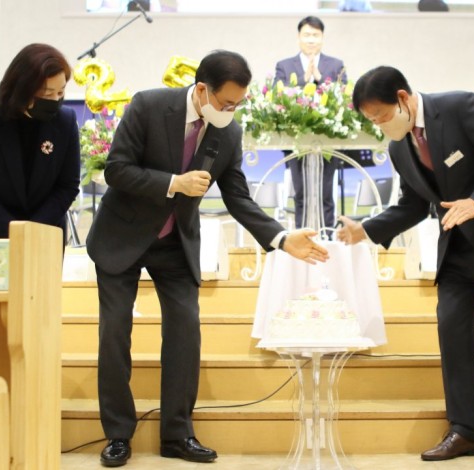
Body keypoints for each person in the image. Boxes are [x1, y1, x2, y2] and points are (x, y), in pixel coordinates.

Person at [86, 50, 329, 467]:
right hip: (121, 236)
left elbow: (238, 198)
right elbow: (116, 170)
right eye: (226, 103)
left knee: (186, 331)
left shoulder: (227, 133)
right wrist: (174, 183)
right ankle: (118, 435)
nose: (230, 112)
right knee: (115, 332)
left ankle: (177, 434)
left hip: (174, 243)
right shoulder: (148, 105)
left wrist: (281, 237)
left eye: (238, 104)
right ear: (201, 90)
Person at [338, 66, 474, 466]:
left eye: (381, 116)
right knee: (452, 333)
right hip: (459, 248)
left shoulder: (459, 107)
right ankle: (465, 430)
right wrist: (366, 229)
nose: (380, 126)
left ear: (403, 98)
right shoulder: (400, 147)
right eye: (372, 121)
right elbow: (413, 205)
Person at [0, 43, 80, 239]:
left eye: (61, 92)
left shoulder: (66, 122)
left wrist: (34, 229)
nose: (55, 100)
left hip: (44, 234)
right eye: (47, 94)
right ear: (23, 88)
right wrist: (13, 230)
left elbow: (68, 186)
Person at [275, 16, 347, 230]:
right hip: (296, 140)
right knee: (301, 193)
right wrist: (305, 80)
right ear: (298, 37)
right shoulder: (284, 66)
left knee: (325, 193)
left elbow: (343, 95)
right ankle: (302, 235)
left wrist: (320, 77)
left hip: (328, 139)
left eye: (316, 35)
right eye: (307, 35)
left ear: (322, 38)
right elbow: (279, 97)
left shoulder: (336, 65)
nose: (311, 40)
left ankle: (327, 235)